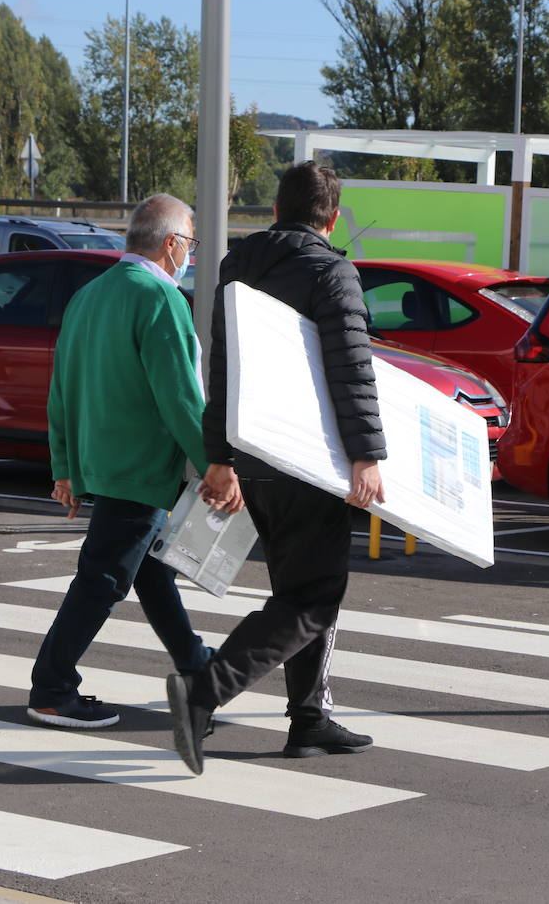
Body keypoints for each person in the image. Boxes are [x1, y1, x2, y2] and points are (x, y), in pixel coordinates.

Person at [167, 161, 386, 775]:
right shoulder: (331, 270)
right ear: (332, 217)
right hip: (306, 459)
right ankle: (203, 690)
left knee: (299, 591)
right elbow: (350, 366)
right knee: (314, 599)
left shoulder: (236, 266)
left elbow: (222, 369)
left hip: (251, 453)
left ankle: (309, 719)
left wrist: (219, 456)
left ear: (275, 211)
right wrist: (366, 455)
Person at [26, 194, 232, 729]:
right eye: (190, 242)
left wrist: (64, 465)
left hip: (105, 459)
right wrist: (213, 463)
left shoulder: (90, 295)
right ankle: (52, 687)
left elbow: (62, 388)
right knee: (103, 579)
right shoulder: (161, 298)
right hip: (141, 465)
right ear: (171, 244)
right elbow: (180, 395)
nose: (190, 253)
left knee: (149, 571)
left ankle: (197, 666)